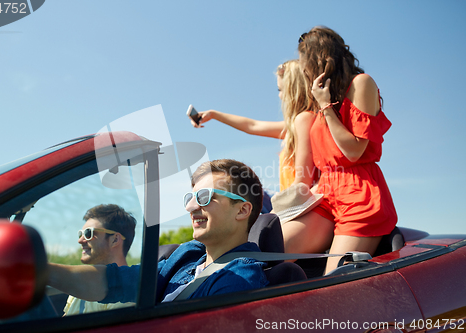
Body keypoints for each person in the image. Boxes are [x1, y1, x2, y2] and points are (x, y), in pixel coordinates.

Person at [48, 159, 268, 304]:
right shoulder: (187, 258)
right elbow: (116, 281)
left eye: (204, 198)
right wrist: (40, 271)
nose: (190, 207)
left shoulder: (239, 280)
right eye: (190, 198)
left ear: (242, 210)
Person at [282, 26, 398, 274]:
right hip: (325, 195)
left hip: (359, 195)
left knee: (333, 280)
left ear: (320, 59)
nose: (304, 70)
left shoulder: (361, 84)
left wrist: (325, 106)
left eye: (306, 61)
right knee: (272, 251)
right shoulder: (315, 109)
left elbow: (354, 151)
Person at [190, 60, 317, 192]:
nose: (279, 95)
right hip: (291, 196)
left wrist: (280, 207)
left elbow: (303, 182)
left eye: (281, 89)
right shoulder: (293, 126)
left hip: (298, 201)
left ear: (293, 90)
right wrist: (213, 115)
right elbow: (251, 126)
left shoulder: (304, 121)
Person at [63, 204, 137, 315]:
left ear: (115, 239)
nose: (80, 240)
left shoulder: (125, 296)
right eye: (81, 234)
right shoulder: (81, 285)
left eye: (89, 233)